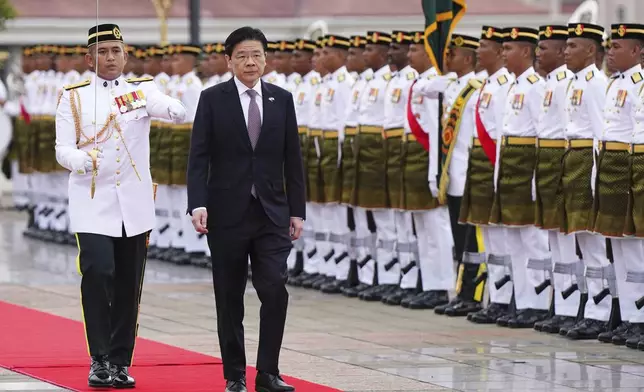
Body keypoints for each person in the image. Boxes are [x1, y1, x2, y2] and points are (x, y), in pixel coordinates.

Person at [55, 23, 186, 388]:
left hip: (134, 202)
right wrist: (79, 160)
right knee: (98, 271)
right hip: (92, 199)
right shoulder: (73, 95)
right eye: (102, 52)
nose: (109, 58)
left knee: (130, 282)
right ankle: (98, 358)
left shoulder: (141, 91)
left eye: (115, 51)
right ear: (89, 58)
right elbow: (61, 147)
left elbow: (165, 106)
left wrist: (175, 108)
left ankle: (120, 361)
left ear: (126, 55)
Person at [187, 26, 305, 392]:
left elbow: (292, 159)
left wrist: (297, 211)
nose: (250, 62)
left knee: (274, 289)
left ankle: (268, 372)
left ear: (266, 59)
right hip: (226, 214)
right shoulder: (212, 99)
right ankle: (234, 375)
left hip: (271, 213)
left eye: (256, 55)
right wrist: (197, 204)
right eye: (241, 56)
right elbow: (199, 156)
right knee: (229, 296)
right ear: (229, 62)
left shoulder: (281, 99)